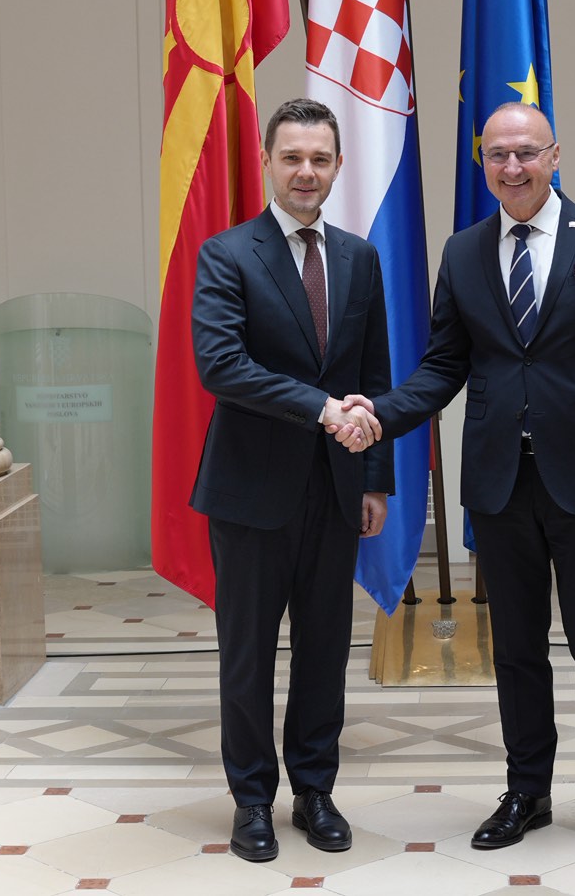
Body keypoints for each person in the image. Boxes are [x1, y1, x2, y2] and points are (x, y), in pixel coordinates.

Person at [337, 103, 575, 863]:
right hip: (499, 484)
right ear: (482, 162)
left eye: (526, 153)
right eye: (497, 155)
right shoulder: (465, 251)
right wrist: (380, 415)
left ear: (555, 156)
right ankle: (527, 792)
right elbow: (444, 366)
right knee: (516, 649)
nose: (512, 167)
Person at [190, 98, 392, 862]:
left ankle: (314, 790)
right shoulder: (227, 254)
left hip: (336, 490)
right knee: (247, 654)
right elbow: (222, 366)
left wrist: (374, 479)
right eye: (292, 158)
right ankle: (251, 800)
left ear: (338, 166)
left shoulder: (360, 259)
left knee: (324, 650)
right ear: (268, 163)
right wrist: (319, 408)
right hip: (250, 492)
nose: (306, 171)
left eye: (320, 159)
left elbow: (374, 373)